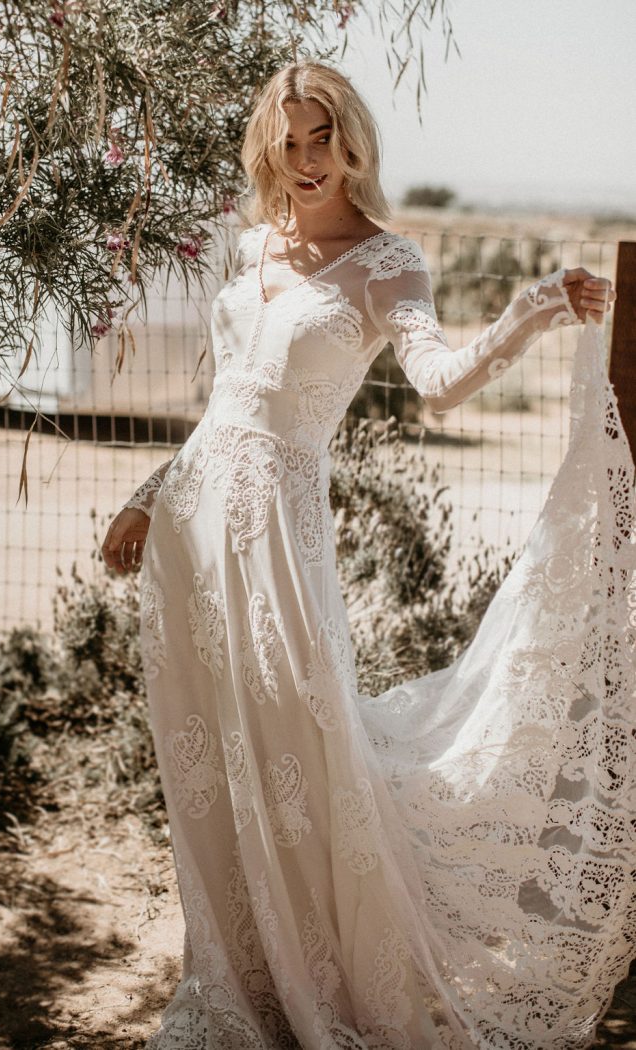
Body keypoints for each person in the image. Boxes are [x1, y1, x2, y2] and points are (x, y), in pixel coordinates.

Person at [101, 61, 632, 1050]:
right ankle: (240, 981)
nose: (304, 162)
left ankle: (330, 991)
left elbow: (438, 382)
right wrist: (144, 498)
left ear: (352, 144)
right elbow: (226, 406)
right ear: (269, 145)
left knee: (306, 753)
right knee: (216, 769)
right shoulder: (253, 244)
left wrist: (529, 309)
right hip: (188, 538)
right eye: (287, 140)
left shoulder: (388, 262)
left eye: (321, 140)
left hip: (277, 545)